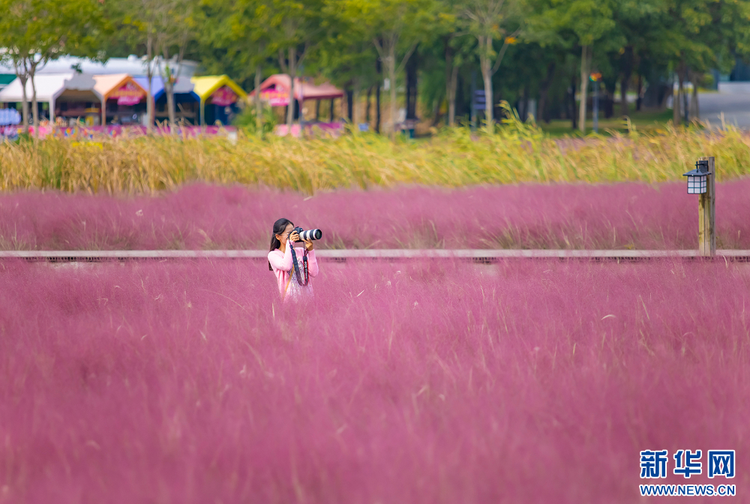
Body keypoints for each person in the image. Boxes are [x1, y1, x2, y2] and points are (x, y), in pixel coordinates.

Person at [268, 218, 319, 302]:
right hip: (290, 302)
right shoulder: (273, 255)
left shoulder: (300, 251)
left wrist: (310, 251)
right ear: (278, 236)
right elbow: (287, 266)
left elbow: (314, 273)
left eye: (293, 231)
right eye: (289, 233)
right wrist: (290, 243)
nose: (293, 235)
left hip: (308, 299)